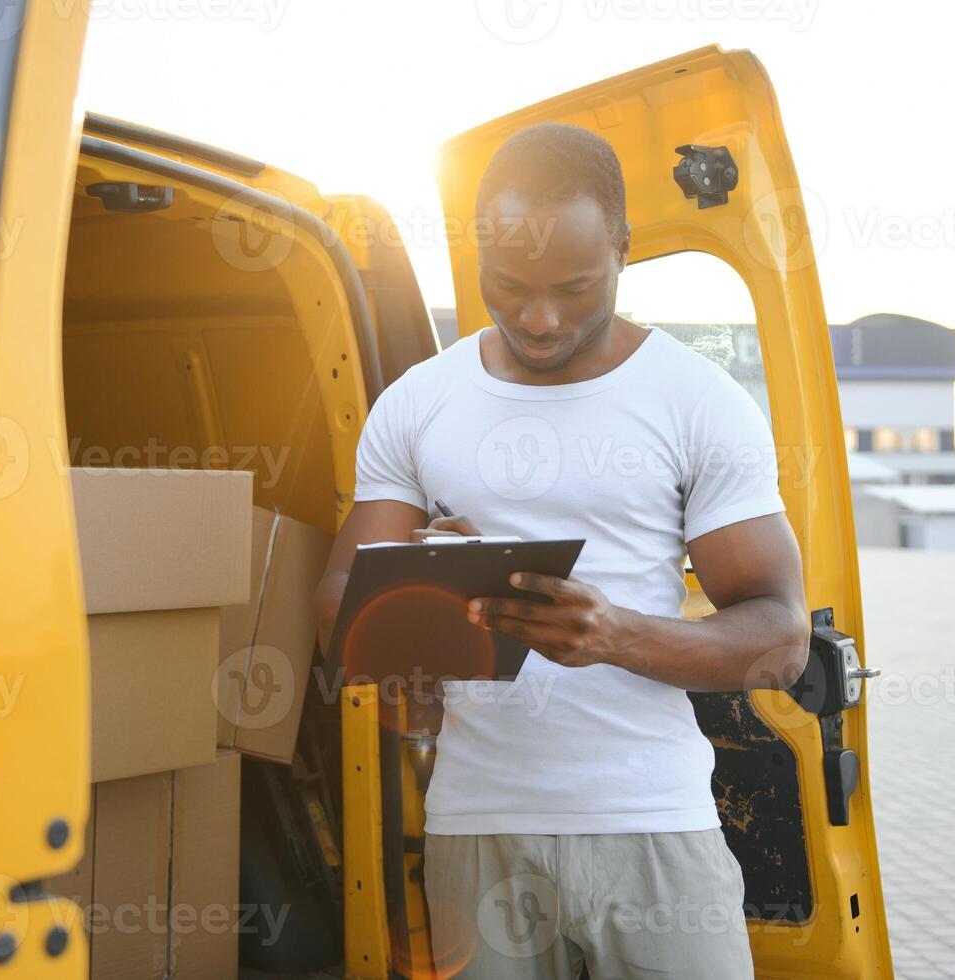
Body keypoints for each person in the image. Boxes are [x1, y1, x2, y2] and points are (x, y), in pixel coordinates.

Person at [312, 122, 810, 979]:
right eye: (508, 285)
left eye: (575, 288)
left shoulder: (696, 401)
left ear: (622, 247)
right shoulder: (416, 404)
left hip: (651, 824)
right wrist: (421, 606)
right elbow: (338, 608)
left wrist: (616, 636)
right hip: (475, 824)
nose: (539, 320)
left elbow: (780, 640)